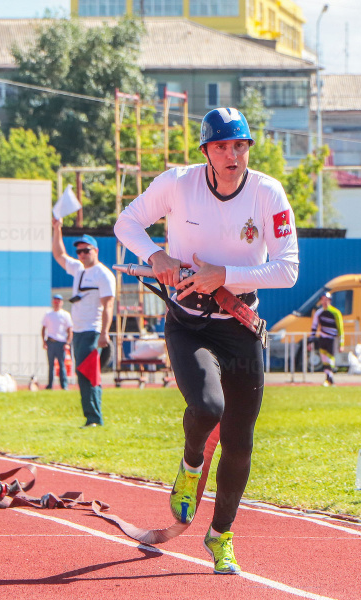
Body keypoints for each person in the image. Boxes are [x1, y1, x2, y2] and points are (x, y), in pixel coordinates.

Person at [114, 107, 299, 574]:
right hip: (188, 322)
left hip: (239, 326)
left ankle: (220, 537)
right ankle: (191, 465)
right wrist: (154, 254)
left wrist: (226, 275)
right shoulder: (178, 183)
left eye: (239, 146)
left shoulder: (268, 193)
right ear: (206, 152)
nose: (232, 155)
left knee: (239, 442)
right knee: (207, 409)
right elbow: (126, 222)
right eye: (221, 146)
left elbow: (288, 269)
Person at [52, 226, 115, 427]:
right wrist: (57, 229)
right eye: (79, 251)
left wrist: (104, 333)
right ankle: (90, 417)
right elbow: (59, 254)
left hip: (92, 330)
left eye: (86, 250)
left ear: (95, 251)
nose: (81, 254)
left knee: (90, 374)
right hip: (78, 331)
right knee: (82, 373)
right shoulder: (78, 269)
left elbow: (109, 305)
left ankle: (94, 418)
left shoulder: (103, 274)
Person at [310, 291, 345, 386]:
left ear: (330, 300)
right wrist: (311, 341)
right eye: (323, 300)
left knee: (330, 359)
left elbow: (341, 329)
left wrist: (341, 344)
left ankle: (329, 379)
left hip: (332, 339)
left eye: (326, 300)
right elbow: (314, 326)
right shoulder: (319, 313)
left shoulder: (335, 312)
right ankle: (329, 379)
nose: (325, 302)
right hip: (322, 338)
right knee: (324, 358)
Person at [41, 294, 73, 390]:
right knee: (50, 365)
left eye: (59, 301)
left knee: (61, 364)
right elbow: (43, 328)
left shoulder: (65, 315)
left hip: (61, 342)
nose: (57, 303)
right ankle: (50, 385)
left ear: (62, 303)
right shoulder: (48, 314)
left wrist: (67, 342)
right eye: (55, 301)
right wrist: (44, 341)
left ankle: (64, 385)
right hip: (51, 341)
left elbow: (70, 330)